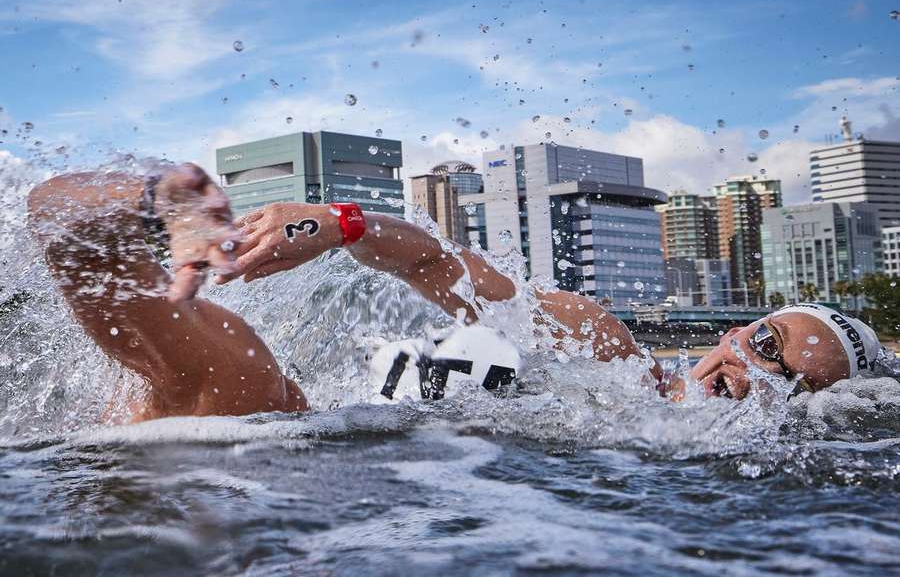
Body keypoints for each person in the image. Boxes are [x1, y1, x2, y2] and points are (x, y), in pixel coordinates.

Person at [27, 164, 884, 424]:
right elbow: (440, 267)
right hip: (299, 425)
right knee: (248, 382)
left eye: (788, 380)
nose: (745, 367)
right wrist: (341, 223)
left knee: (250, 386)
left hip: (328, 454)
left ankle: (146, 208)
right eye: (762, 338)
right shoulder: (605, 350)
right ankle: (151, 202)